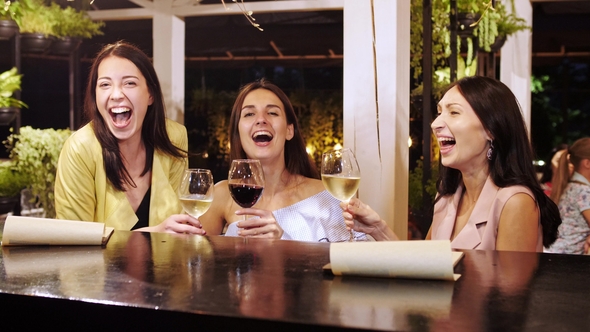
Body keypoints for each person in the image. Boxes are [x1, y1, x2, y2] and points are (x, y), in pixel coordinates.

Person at [340, 76, 561, 251]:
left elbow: (509, 301)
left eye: (454, 112)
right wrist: (378, 228)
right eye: (439, 113)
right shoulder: (447, 197)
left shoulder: (515, 202)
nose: (436, 123)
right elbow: (424, 268)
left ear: (491, 130)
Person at [55, 41, 205, 235]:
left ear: (150, 94)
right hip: (95, 267)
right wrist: (152, 234)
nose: (116, 94)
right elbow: (72, 239)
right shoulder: (80, 148)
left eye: (129, 83)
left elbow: (179, 228)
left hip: (164, 265)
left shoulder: (173, 137)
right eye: (105, 85)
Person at [199, 78, 365, 242]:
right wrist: (175, 238)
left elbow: (355, 262)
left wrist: (282, 241)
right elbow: (194, 261)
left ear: (289, 130)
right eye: (249, 114)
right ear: (238, 132)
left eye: (272, 113)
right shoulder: (221, 195)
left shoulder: (327, 195)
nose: (261, 119)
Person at [545, 138, 590, 254]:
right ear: (587, 163)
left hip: (553, 253)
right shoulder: (584, 192)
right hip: (564, 260)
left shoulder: (570, 186)